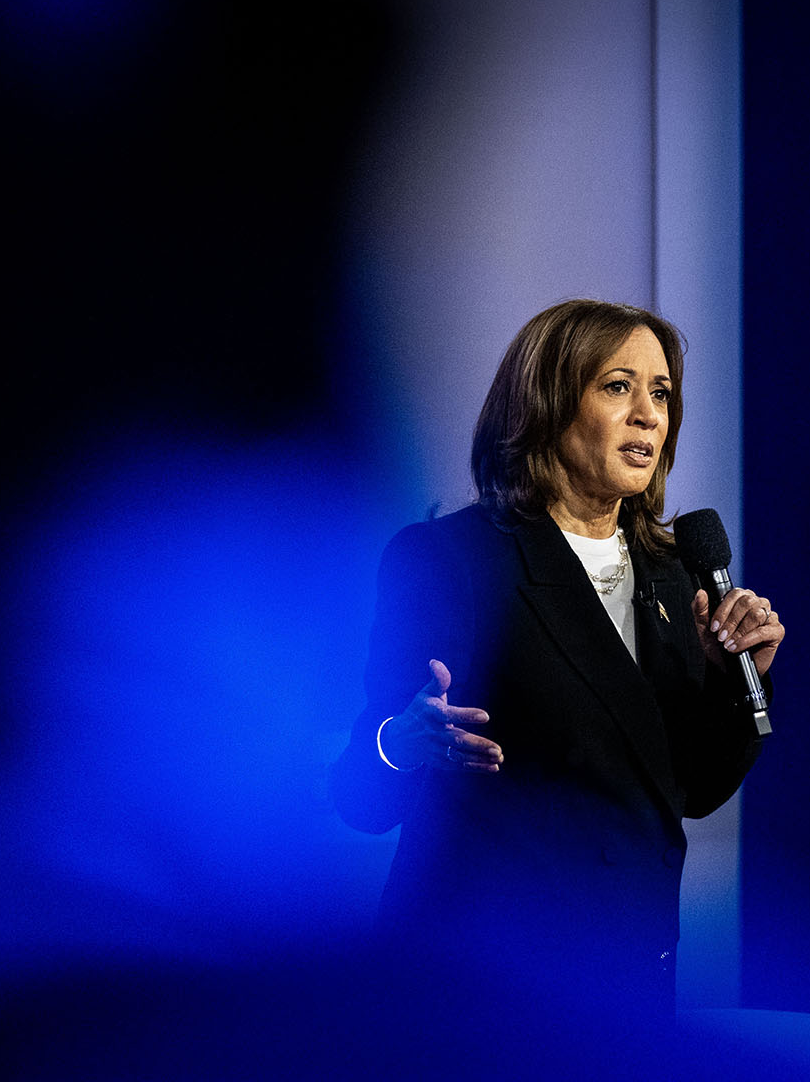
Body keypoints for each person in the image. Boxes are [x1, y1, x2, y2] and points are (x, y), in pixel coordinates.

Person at [329, 299, 783, 1076]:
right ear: (547, 402)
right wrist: (398, 743)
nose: (648, 415)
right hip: (482, 997)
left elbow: (686, 791)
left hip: (629, 990)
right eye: (617, 387)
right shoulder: (453, 561)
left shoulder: (674, 576)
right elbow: (358, 798)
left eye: (662, 394)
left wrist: (734, 684)